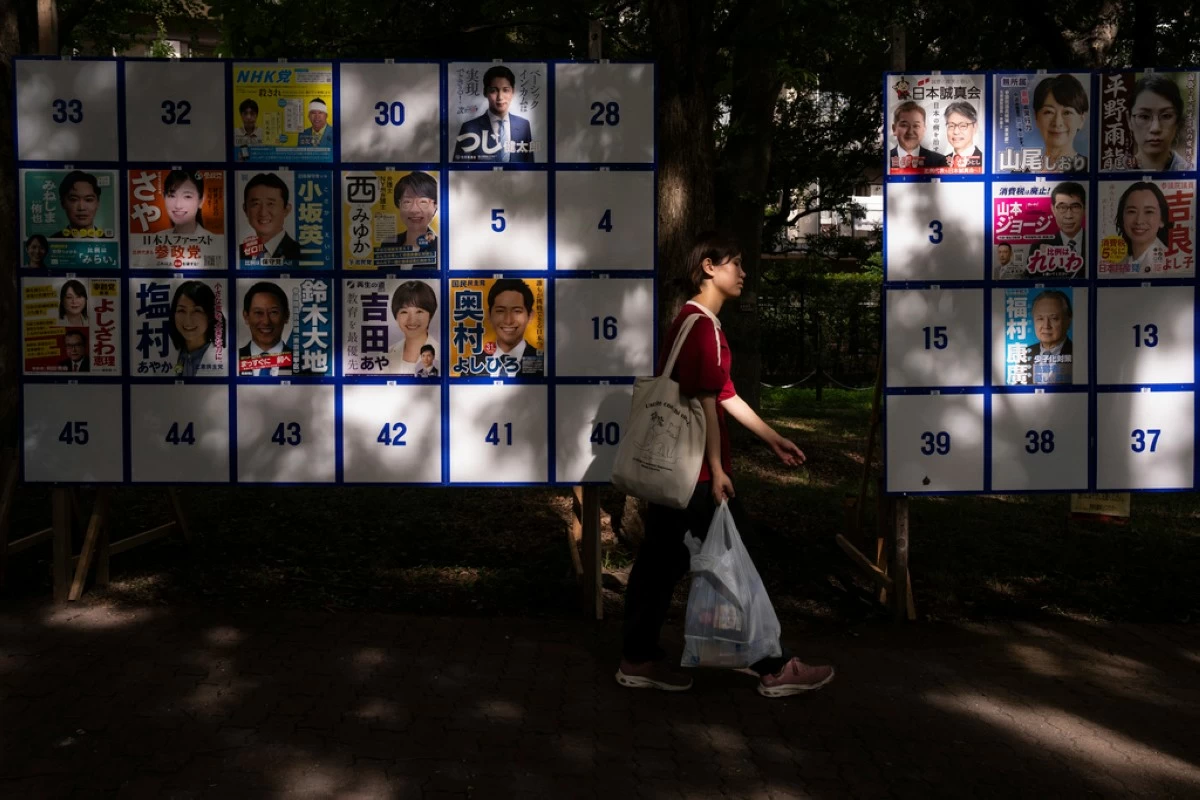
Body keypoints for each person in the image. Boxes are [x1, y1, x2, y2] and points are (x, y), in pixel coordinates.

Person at [617, 231, 835, 697]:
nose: (743, 272)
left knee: (659, 561)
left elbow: (725, 393)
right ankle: (772, 667)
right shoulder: (702, 325)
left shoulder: (692, 322)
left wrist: (773, 438)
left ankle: (637, 658)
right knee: (740, 557)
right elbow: (705, 403)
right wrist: (718, 472)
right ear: (709, 268)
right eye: (734, 263)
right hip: (696, 473)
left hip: (679, 470)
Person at [452, 65, 534, 163]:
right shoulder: (469, 128)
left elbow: (530, 167)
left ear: (513, 92)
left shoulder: (523, 125)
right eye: (493, 90)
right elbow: (459, 170)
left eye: (505, 90)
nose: (500, 97)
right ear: (485, 92)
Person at [1128, 75, 1194, 172]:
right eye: (1144, 116)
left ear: (1178, 121)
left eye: (1166, 116)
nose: (1155, 128)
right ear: (1129, 120)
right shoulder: (1113, 174)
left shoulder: (1190, 174)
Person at [485, 279, 544, 377]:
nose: (508, 321)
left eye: (517, 311)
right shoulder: (470, 365)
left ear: (530, 316)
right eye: (500, 311)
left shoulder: (545, 363)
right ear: (489, 315)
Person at [1028, 182, 1087, 277]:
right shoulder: (1038, 246)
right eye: (1062, 207)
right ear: (1053, 209)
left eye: (1075, 207)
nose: (1068, 216)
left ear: (1084, 209)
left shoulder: (1095, 242)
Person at [240, 173, 300, 264]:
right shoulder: (238, 253)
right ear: (245, 209)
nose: (263, 213)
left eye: (270, 204)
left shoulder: (303, 254)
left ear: (286, 210)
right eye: (256, 204)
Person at [1033, 74, 1088, 172]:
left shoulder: (1090, 169)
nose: (1057, 123)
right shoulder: (1023, 172)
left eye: (1067, 112)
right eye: (1049, 112)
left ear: (1081, 120)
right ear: (1036, 117)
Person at [381, 171, 438, 267]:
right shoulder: (388, 245)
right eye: (407, 202)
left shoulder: (441, 248)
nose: (414, 210)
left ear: (435, 206)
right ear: (399, 204)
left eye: (423, 202)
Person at [1115, 181, 1171, 272]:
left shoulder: (1169, 263)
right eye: (1132, 211)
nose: (1139, 221)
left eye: (1149, 212)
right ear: (1122, 217)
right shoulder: (1119, 263)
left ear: (1162, 220)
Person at [168, 281, 221, 377]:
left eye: (197, 310)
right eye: (181, 310)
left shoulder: (224, 358)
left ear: (210, 315)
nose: (188, 321)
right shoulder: (170, 355)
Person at [386, 281, 439, 376]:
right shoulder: (386, 354)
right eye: (404, 312)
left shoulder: (443, 353)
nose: (412, 319)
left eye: (419, 311)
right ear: (396, 316)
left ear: (430, 315)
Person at [238, 281, 291, 376]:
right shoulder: (231, 361)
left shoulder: (304, 364)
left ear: (286, 316)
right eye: (258, 313)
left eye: (273, 312)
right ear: (246, 317)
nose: (266, 321)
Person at [1023, 290, 1073, 385]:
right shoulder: (1025, 354)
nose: (1046, 326)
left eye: (1054, 318)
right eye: (1040, 319)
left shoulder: (1078, 354)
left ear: (1068, 321)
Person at [888, 101, 948, 169]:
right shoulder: (884, 159)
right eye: (904, 125)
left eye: (916, 126)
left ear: (924, 129)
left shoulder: (939, 161)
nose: (910, 132)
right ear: (894, 129)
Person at [58, 170, 109, 236]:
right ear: (63, 203)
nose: (81, 208)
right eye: (74, 200)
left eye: (88, 200)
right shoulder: (53, 241)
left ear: (97, 203)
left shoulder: (108, 240)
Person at [164, 171, 209, 236]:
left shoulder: (216, 242)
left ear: (201, 201)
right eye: (172, 196)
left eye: (187, 196)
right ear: (164, 197)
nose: (178, 205)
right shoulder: (155, 239)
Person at [943, 100, 982, 169]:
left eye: (963, 126)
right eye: (951, 126)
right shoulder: (939, 162)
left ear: (975, 127)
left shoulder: (986, 161)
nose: (956, 131)